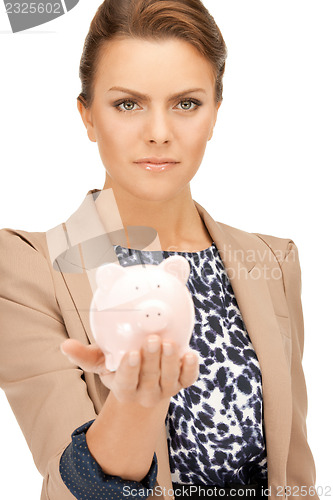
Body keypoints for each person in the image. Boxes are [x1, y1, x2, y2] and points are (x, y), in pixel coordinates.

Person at [0, 1, 319, 499]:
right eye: (127, 103)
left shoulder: (273, 263)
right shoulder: (29, 267)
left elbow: (295, 475)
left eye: (186, 103)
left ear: (215, 112)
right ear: (86, 115)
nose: (158, 132)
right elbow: (67, 486)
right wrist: (136, 403)